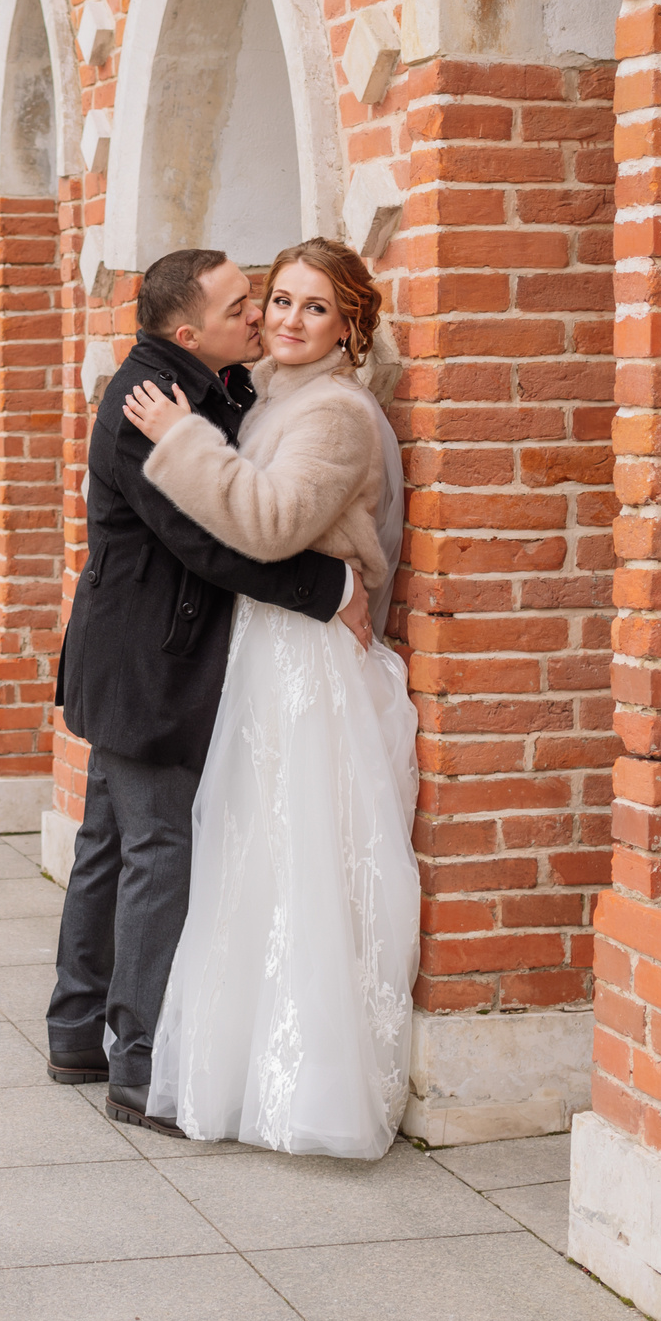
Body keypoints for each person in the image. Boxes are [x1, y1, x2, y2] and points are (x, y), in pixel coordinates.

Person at [49, 247, 369, 1134]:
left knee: (110, 842)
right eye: (247, 305)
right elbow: (211, 545)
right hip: (149, 664)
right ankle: (139, 1058)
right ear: (191, 331)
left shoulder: (208, 383)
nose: (263, 317)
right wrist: (331, 589)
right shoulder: (148, 405)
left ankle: (76, 1029)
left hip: (133, 654)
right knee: (155, 851)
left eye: (279, 301)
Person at [120, 238, 420, 1158]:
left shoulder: (335, 413)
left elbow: (273, 521)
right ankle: (240, 1069)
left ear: (350, 326)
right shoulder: (277, 397)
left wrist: (179, 442)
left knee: (298, 866)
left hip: (309, 667)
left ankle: (308, 1090)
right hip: (268, 653)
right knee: (247, 861)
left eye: (312, 307)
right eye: (277, 301)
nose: (285, 319)